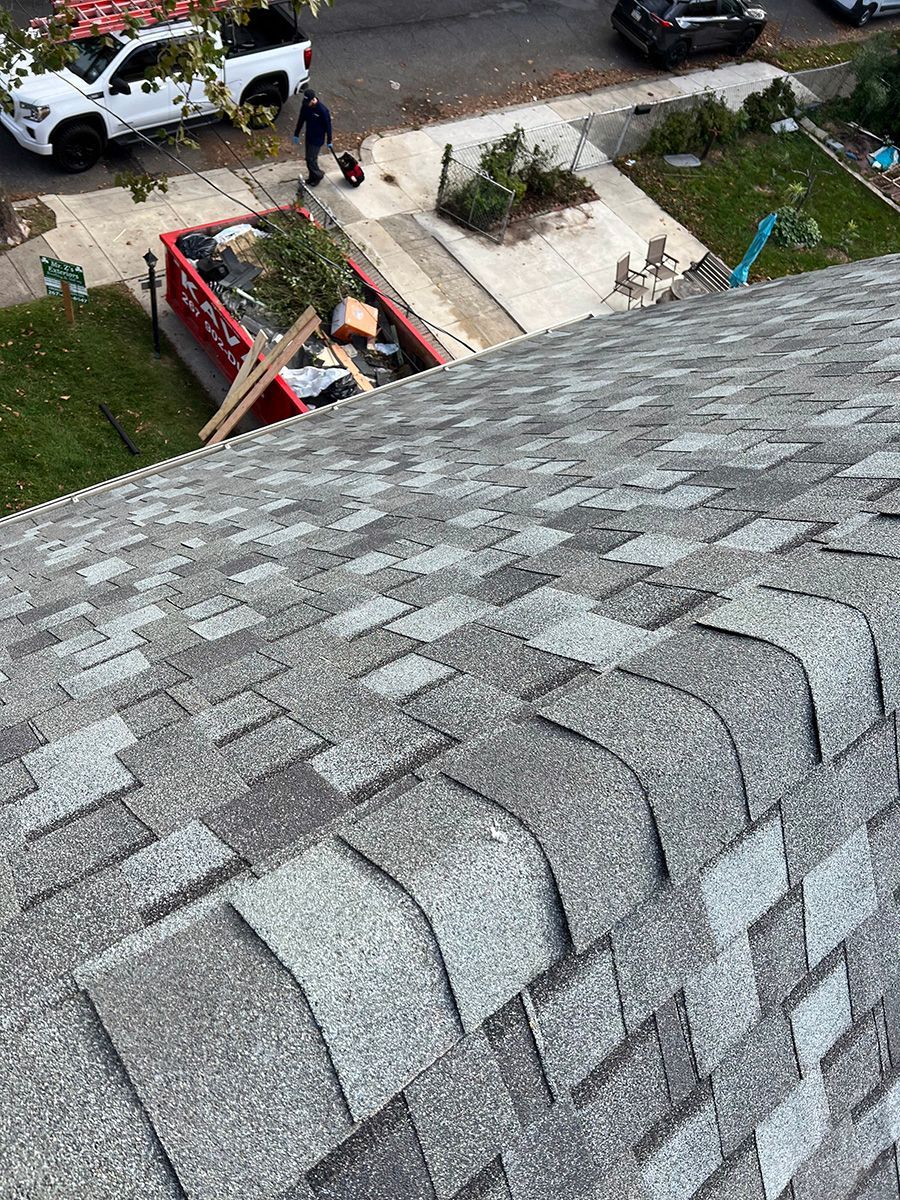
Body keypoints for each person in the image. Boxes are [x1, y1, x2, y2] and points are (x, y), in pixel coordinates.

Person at [293, 88, 332, 187]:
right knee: (308, 159)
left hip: (317, 139)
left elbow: (328, 126)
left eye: (308, 102)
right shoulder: (306, 106)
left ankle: (318, 175)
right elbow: (301, 119)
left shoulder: (322, 111)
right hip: (309, 136)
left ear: (313, 100)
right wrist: (296, 133)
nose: (306, 104)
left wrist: (329, 140)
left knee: (311, 159)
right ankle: (312, 178)